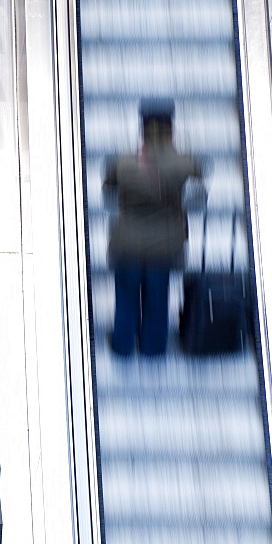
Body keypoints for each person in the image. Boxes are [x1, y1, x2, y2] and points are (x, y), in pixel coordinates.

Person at [103, 97, 203, 357]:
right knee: (158, 299)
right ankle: (153, 347)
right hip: (165, 246)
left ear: (143, 127)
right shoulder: (187, 163)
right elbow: (198, 202)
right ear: (171, 126)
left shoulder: (122, 162)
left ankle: (122, 345)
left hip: (127, 245)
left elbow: (108, 197)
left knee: (125, 298)